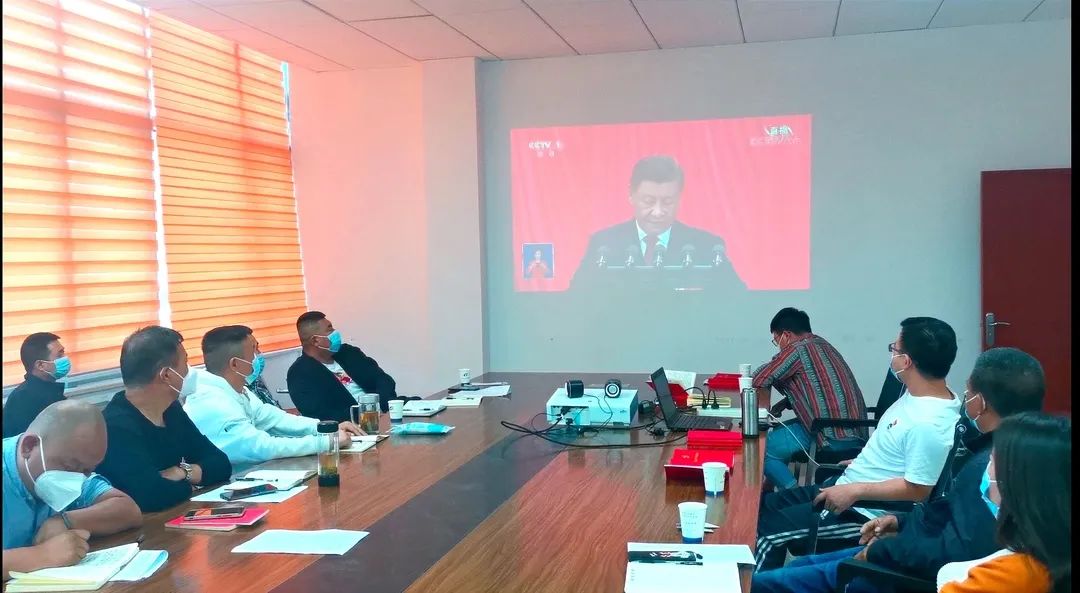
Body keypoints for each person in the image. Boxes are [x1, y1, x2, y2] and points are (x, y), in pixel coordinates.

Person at [751, 347, 1047, 593]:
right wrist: (901, 522)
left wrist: (881, 550)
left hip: (900, 569)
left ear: (980, 403)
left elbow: (955, 551)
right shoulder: (1004, 453)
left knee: (767, 583)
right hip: (903, 541)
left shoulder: (995, 468)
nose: (964, 400)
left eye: (969, 394)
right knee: (797, 564)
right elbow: (947, 510)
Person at [754, 317, 961, 572]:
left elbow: (919, 489)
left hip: (864, 511)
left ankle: (758, 584)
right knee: (762, 508)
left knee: (766, 533)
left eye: (894, 349)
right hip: (848, 482)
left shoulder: (929, 423)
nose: (892, 354)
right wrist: (865, 460)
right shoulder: (918, 393)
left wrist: (855, 490)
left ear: (906, 361)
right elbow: (900, 448)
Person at [184, 325, 363, 473]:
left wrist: (327, 428)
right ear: (235, 364)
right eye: (254, 349)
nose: (259, 354)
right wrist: (326, 442)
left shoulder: (238, 390)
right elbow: (260, 447)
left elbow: (275, 419)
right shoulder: (210, 400)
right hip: (229, 487)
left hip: (258, 474)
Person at [95, 326, 231, 513]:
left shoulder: (171, 410)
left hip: (176, 515)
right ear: (166, 375)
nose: (189, 371)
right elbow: (150, 495)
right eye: (185, 363)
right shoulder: (115, 426)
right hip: (143, 527)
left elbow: (221, 464)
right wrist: (190, 483)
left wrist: (182, 472)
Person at [3, 401, 142, 580]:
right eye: (69, 467)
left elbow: (128, 510)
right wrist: (44, 555)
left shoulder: (76, 467)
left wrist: (65, 521)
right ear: (29, 446)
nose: (76, 479)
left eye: (88, 470)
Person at [570, 155, 744, 291]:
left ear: (679, 199)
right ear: (631, 195)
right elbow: (577, 299)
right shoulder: (603, 245)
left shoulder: (707, 246)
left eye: (667, 202)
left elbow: (737, 300)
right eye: (649, 201)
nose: (658, 212)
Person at [939, 412, 1070, 593]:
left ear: (1018, 484)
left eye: (991, 461)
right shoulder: (1051, 549)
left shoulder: (1012, 577)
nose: (986, 470)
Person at [753, 308, 869, 490]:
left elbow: (760, 377)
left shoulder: (798, 350)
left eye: (777, 341)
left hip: (830, 431)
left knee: (761, 449)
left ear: (786, 335)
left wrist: (762, 410)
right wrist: (784, 403)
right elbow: (817, 388)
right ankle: (769, 489)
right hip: (851, 427)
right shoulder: (821, 345)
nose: (779, 346)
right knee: (777, 433)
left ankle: (794, 494)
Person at [287, 311, 413, 419]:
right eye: (330, 329)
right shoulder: (299, 373)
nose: (335, 332)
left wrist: (383, 407)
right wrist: (366, 414)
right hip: (353, 425)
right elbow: (318, 414)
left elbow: (382, 379)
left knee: (419, 407)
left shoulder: (348, 353)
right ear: (316, 340)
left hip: (386, 411)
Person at [3, 333, 71, 438]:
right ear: (40, 365)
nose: (65, 358)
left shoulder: (47, 391)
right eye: (60, 354)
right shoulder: (24, 400)